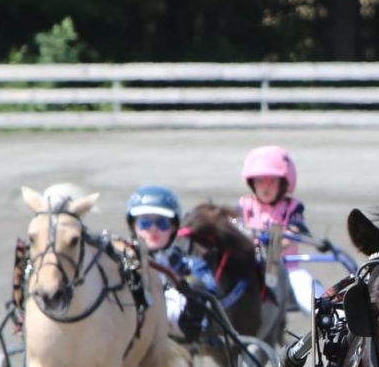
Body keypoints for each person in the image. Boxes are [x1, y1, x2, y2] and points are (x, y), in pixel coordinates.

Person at [125, 185, 219, 341]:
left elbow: (210, 290)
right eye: (145, 223)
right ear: (133, 227)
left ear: (174, 227)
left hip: (179, 337)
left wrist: (191, 287)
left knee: (197, 286)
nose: (153, 229)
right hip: (133, 334)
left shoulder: (191, 264)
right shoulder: (123, 262)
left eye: (162, 223)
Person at [238, 144, 318, 314]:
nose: (266, 187)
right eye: (260, 181)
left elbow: (292, 234)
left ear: (283, 183)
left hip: (288, 268)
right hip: (250, 268)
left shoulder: (293, 206)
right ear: (252, 183)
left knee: (309, 295)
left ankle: (329, 320)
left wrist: (272, 246)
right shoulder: (244, 205)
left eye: (272, 181)